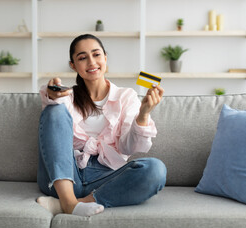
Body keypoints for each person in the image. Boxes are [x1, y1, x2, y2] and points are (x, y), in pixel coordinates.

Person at [37, 34, 166, 217]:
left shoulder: (126, 96)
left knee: (155, 169)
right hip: (63, 176)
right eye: (82, 58)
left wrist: (144, 113)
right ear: (73, 65)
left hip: (104, 179)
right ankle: (67, 200)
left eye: (96, 55)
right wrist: (51, 95)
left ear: (105, 58)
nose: (91, 62)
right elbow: (52, 129)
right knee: (54, 110)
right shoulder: (66, 97)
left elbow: (128, 147)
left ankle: (69, 205)